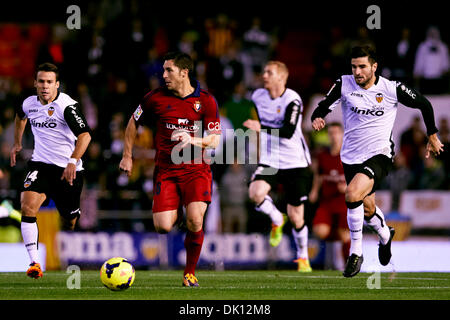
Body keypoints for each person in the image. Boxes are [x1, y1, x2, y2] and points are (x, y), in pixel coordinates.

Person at [311, 45, 444, 277]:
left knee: (352, 194)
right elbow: (322, 106)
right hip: (351, 156)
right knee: (367, 207)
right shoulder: (343, 84)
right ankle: (385, 235)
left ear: (374, 67)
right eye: (354, 67)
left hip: (380, 154)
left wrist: (432, 135)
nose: (357, 72)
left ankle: (356, 252)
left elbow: (424, 103)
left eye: (362, 66)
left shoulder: (391, 88)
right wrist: (318, 117)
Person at [119, 52, 221, 287]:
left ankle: (189, 273)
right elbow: (133, 122)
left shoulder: (205, 101)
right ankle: (180, 211)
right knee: (163, 227)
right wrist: (127, 156)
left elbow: (215, 140)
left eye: (169, 71)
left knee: (195, 220)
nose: (163, 75)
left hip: (196, 170)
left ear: (184, 72)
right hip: (166, 171)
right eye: (163, 70)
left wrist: (193, 140)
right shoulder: (154, 98)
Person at [10, 62, 92, 279]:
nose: (45, 86)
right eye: (41, 82)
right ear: (35, 83)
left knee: (69, 221)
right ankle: (35, 263)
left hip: (69, 170)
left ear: (57, 85)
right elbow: (20, 116)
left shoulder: (67, 106)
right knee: (27, 207)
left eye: (49, 82)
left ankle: (72, 217)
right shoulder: (29, 103)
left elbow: (85, 135)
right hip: (41, 165)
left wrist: (73, 161)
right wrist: (17, 143)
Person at [243, 61, 313, 272]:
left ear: (282, 77)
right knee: (255, 192)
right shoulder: (257, 96)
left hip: (295, 162)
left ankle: (303, 257)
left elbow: (289, 131)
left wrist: (260, 127)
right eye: (264, 71)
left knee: (296, 216)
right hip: (271, 159)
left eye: (269, 72)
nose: (264, 75)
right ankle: (276, 217)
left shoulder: (293, 99)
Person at [310, 122, 350, 268]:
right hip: (326, 201)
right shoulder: (322, 156)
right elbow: (319, 175)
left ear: (342, 135)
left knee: (345, 235)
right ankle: (328, 260)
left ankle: (348, 265)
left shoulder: (348, 155)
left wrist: (348, 187)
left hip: (343, 202)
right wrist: (314, 190)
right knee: (319, 231)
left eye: (336, 133)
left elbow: (358, 175)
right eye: (331, 133)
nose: (334, 136)